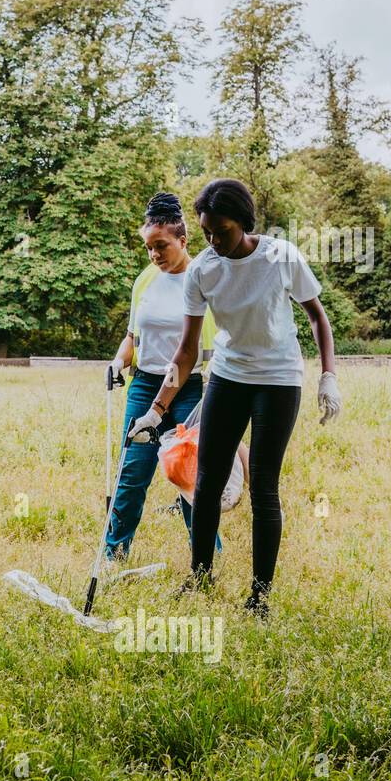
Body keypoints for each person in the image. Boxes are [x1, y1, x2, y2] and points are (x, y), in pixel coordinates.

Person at [128, 178, 342, 619]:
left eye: (221, 231)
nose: (213, 241)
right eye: (206, 232)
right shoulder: (204, 269)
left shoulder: (281, 257)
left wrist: (328, 376)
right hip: (228, 375)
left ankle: (259, 597)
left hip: (278, 379)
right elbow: (186, 351)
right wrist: (156, 410)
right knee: (206, 482)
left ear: (244, 223)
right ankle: (200, 576)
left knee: (264, 486)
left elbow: (318, 318)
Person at [103, 193, 221, 559]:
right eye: (149, 247)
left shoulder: (202, 282)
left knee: (189, 476)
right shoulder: (144, 281)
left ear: (183, 240)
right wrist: (117, 363)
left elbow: (203, 352)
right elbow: (133, 337)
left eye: (161, 246)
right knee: (131, 474)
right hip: (144, 386)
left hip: (188, 391)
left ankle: (206, 554)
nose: (154, 255)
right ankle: (114, 553)